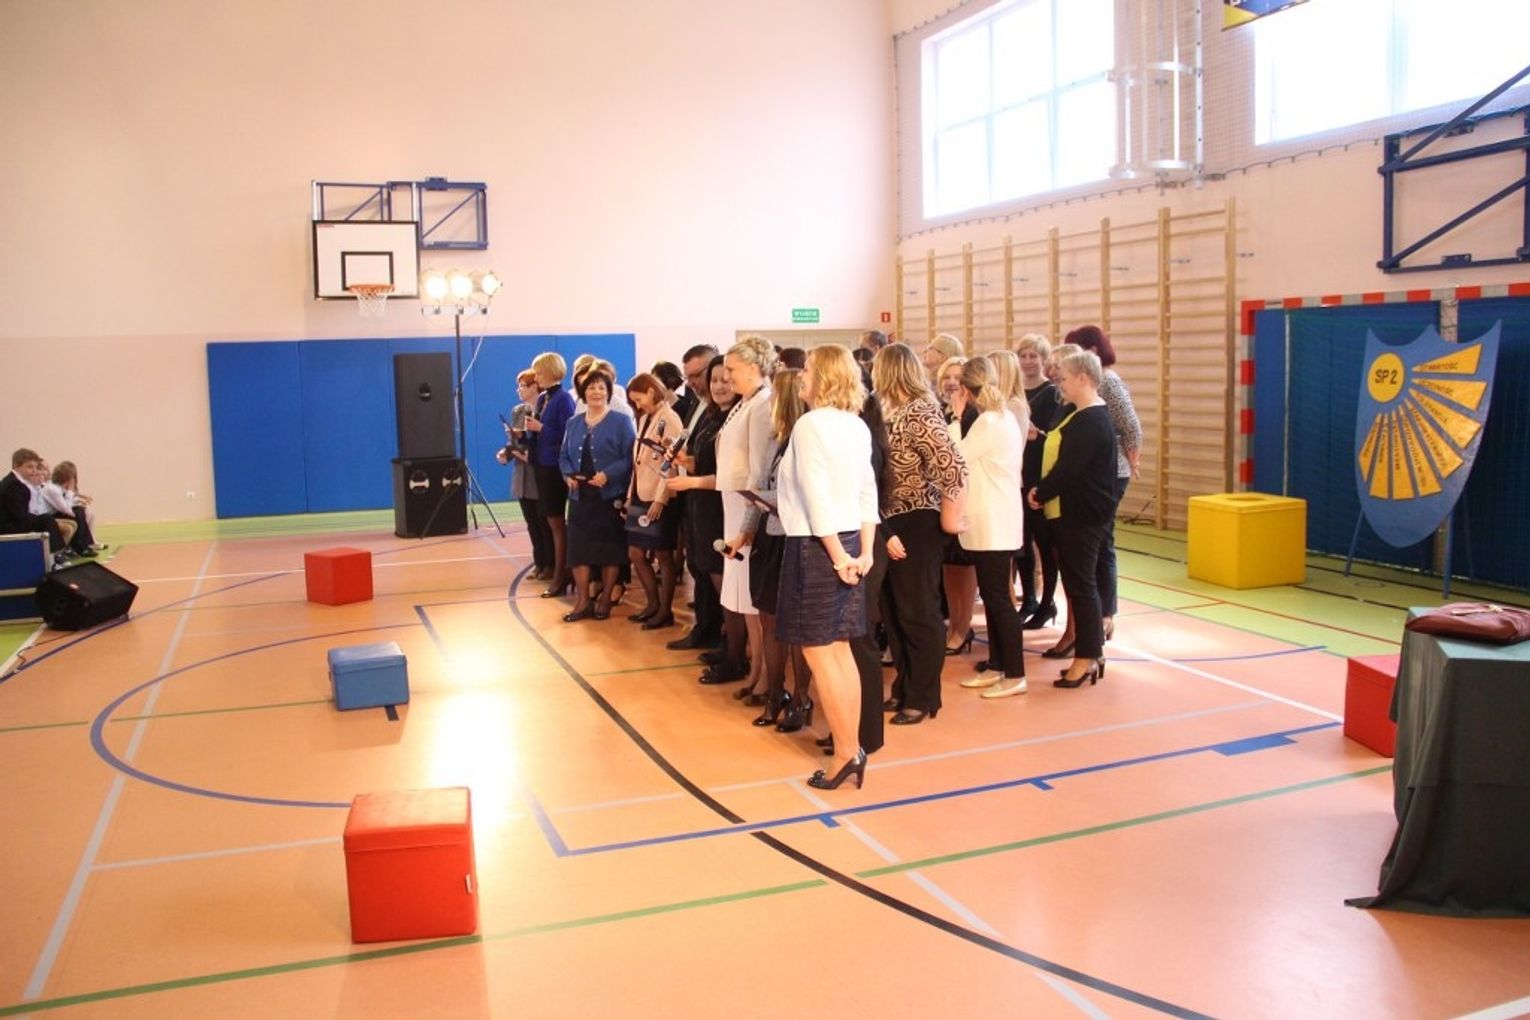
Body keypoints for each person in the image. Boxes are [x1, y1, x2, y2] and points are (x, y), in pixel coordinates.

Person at [775, 345, 880, 789]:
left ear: (825, 376)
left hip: (818, 548)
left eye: (808, 370)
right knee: (839, 649)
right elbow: (867, 493)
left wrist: (838, 558)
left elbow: (816, 498)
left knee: (820, 652)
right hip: (849, 543)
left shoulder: (811, 424)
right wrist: (864, 553)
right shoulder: (856, 424)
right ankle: (851, 748)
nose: (801, 376)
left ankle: (844, 753)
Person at [872, 344, 967, 726]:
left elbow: (953, 468)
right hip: (888, 521)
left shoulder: (920, 411)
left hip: (917, 521)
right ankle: (904, 686)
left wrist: (950, 522)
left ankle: (924, 696)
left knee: (917, 612)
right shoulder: (888, 410)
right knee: (893, 613)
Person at [1028, 350, 1120, 689]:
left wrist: (1041, 492)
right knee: (1081, 585)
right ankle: (1090, 652)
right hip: (1076, 512)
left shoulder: (1091, 420)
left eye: (1064, 378)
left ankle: (1087, 655)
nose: (1060, 384)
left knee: (1081, 586)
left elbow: (1069, 469)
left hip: (1082, 515)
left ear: (1083, 378)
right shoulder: (1080, 415)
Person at [950, 357, 1028, 700]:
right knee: (995, 598)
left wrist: (956, 419)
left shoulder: (988, 422)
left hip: (994, 522)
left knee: (999, 601)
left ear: (966, 391)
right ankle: (997, 665)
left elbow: (955, 457)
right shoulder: (1002, 417)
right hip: (995, 519)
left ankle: (1015, 673)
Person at [1064, 325, 1142, 648]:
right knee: (1100, 540)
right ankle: (1101, 612)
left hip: (1113, 469)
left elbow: (1131, 426)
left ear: (1093, 351)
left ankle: (1106, 611)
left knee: (1103, 540)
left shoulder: (1108, 381)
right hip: (1099, 468)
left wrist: (1132, 462)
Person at [743, 368, 811, 729]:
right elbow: (760, 485)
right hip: (769, 535)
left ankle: (801, 698)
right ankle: (775, 693)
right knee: (768, 619)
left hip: (794, 537)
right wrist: (746, 528)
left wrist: (757, 497)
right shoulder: (774, 440)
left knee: (795, 626)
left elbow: (796, 494)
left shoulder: (806, 441)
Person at [711, 335, 776, 693]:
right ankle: (755, 669)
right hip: (733, 503)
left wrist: (750, 522)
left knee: (754, 599)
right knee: (742, 596)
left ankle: (765, 674)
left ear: (753, 368)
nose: (727, 377)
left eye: (732, 370)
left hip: (748, 505)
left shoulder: (763, 403)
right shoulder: (745, 402)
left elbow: (759, 468)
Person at [663, 355, 735, 658]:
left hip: (721, 508)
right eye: (712, 380)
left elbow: (730, 474)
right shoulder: (705, 409)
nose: (714, 385)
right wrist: (685, 460)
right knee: (703, 571)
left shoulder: (733, 416)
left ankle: (730, 646)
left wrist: (692, 479)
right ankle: (708, 631)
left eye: (723, 379)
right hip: (700, 504)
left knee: (722, 580)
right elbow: (703, 460)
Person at [558, 367, 636, 621]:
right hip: (580, 497)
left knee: (609, 549)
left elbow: (630, 457)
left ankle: (605, 599)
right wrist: (568, 475)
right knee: (578, 549)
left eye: (602, 387)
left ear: (609, 392)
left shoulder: (621, 421)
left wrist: (609, 474)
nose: (596, 392)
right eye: (591, 387)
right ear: (583, 392)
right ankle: (583, 602)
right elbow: (563, 456)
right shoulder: (573, 423)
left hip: (608, 495)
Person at [624, 372, 683, 628]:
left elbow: (672, 461)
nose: (638, 405)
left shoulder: (670, 418)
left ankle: (665, 610)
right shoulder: (645, 418)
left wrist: (661, 498)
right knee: (635, 552)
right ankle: (652, 603)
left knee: (663, 554)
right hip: (641, 492)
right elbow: (638, 459)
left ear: (651, 391)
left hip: (660, 495)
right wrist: (631, 495)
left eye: (639, 399)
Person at [1016, 334, 1065, 629]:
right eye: (1023, 355)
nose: (1028, 361)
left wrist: (1038, 434)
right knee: (1021, 543)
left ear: (1043, 359)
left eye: (1034, 356)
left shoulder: (1052, 394)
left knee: (1044, 544)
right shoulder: (1016, 391)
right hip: (1018, 474)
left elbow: (1058, 438)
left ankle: (1048, 602)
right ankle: (1029, 599)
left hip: (1040, 476)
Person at [526, 352, 577, 598]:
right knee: (549, 520)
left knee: (556, 522)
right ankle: (558, 570)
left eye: (538, 372)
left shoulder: (563, 399)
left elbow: (569, 434)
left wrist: (542, 428)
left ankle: (561, 573)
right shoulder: (543, 398)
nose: (535, 377)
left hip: (554, 467)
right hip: (541, 464)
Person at [938, 355, 979, 657]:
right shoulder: (940, 411)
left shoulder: (973, 415)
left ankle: (963, 627)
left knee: (965, 570)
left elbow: (960, 456)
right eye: (947, 377)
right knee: (949, 570)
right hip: (944, 501)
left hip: (966, 501)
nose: (952, 382)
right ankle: (954, 624)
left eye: (958, 377)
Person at [498, 369, 553, 579]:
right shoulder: (518, 411)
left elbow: (542, 442)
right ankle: (539, 563)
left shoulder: (544, 409)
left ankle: (550, 564)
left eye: (523, 386)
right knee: (532, 524)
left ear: (535, 386)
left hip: (539, 472)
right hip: (522, 475)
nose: (519, 390)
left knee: (544, 523)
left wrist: (524, 449)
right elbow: (516, 443)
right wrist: (507, 451)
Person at [1, 449, 70, 565]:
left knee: (45, 519)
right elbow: (19, 516)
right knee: (46, 520)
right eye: (29, 467)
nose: (34, 471)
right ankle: (54, 558)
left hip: (12, 522)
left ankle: (55, 556)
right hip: (8, 527)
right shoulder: (13, 485)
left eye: (35, 467)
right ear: (16, 466)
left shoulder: (14, 482)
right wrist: (37, 518)